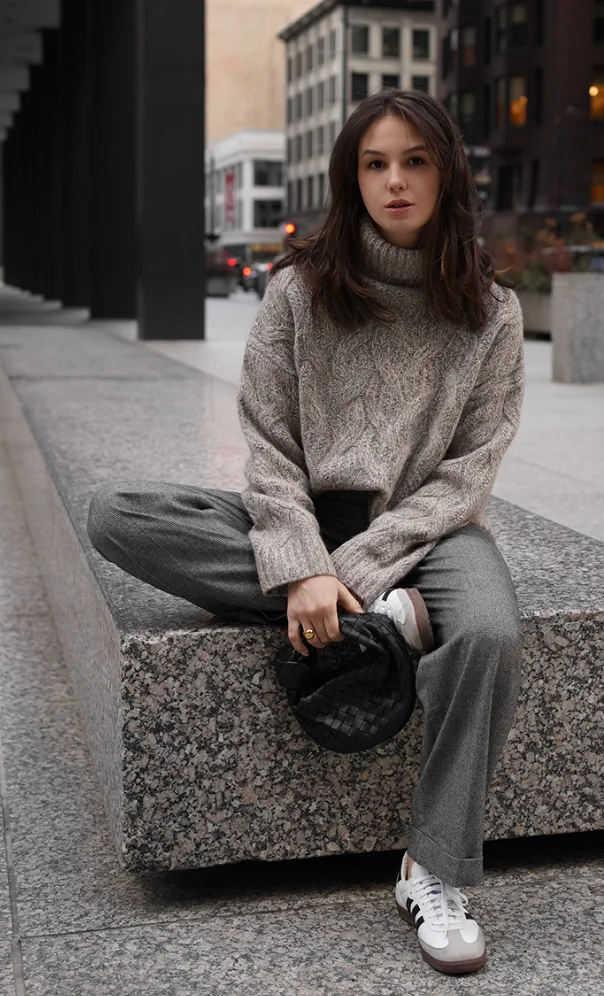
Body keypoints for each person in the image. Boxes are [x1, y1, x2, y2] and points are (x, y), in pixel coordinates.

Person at [87, 89, 525, 976]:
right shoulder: (297, 290)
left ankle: (433, 869)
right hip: (305, 518)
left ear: (447, 172)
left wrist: (347, 572)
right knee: (117, 514)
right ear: (349, 176)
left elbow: (469, 471)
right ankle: (389, 624)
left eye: (415, 161)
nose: (395, 181)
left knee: (489, 632)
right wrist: (299, 564)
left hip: (429, 534)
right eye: (375, 163)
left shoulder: (490, 311)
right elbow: (269, 444)